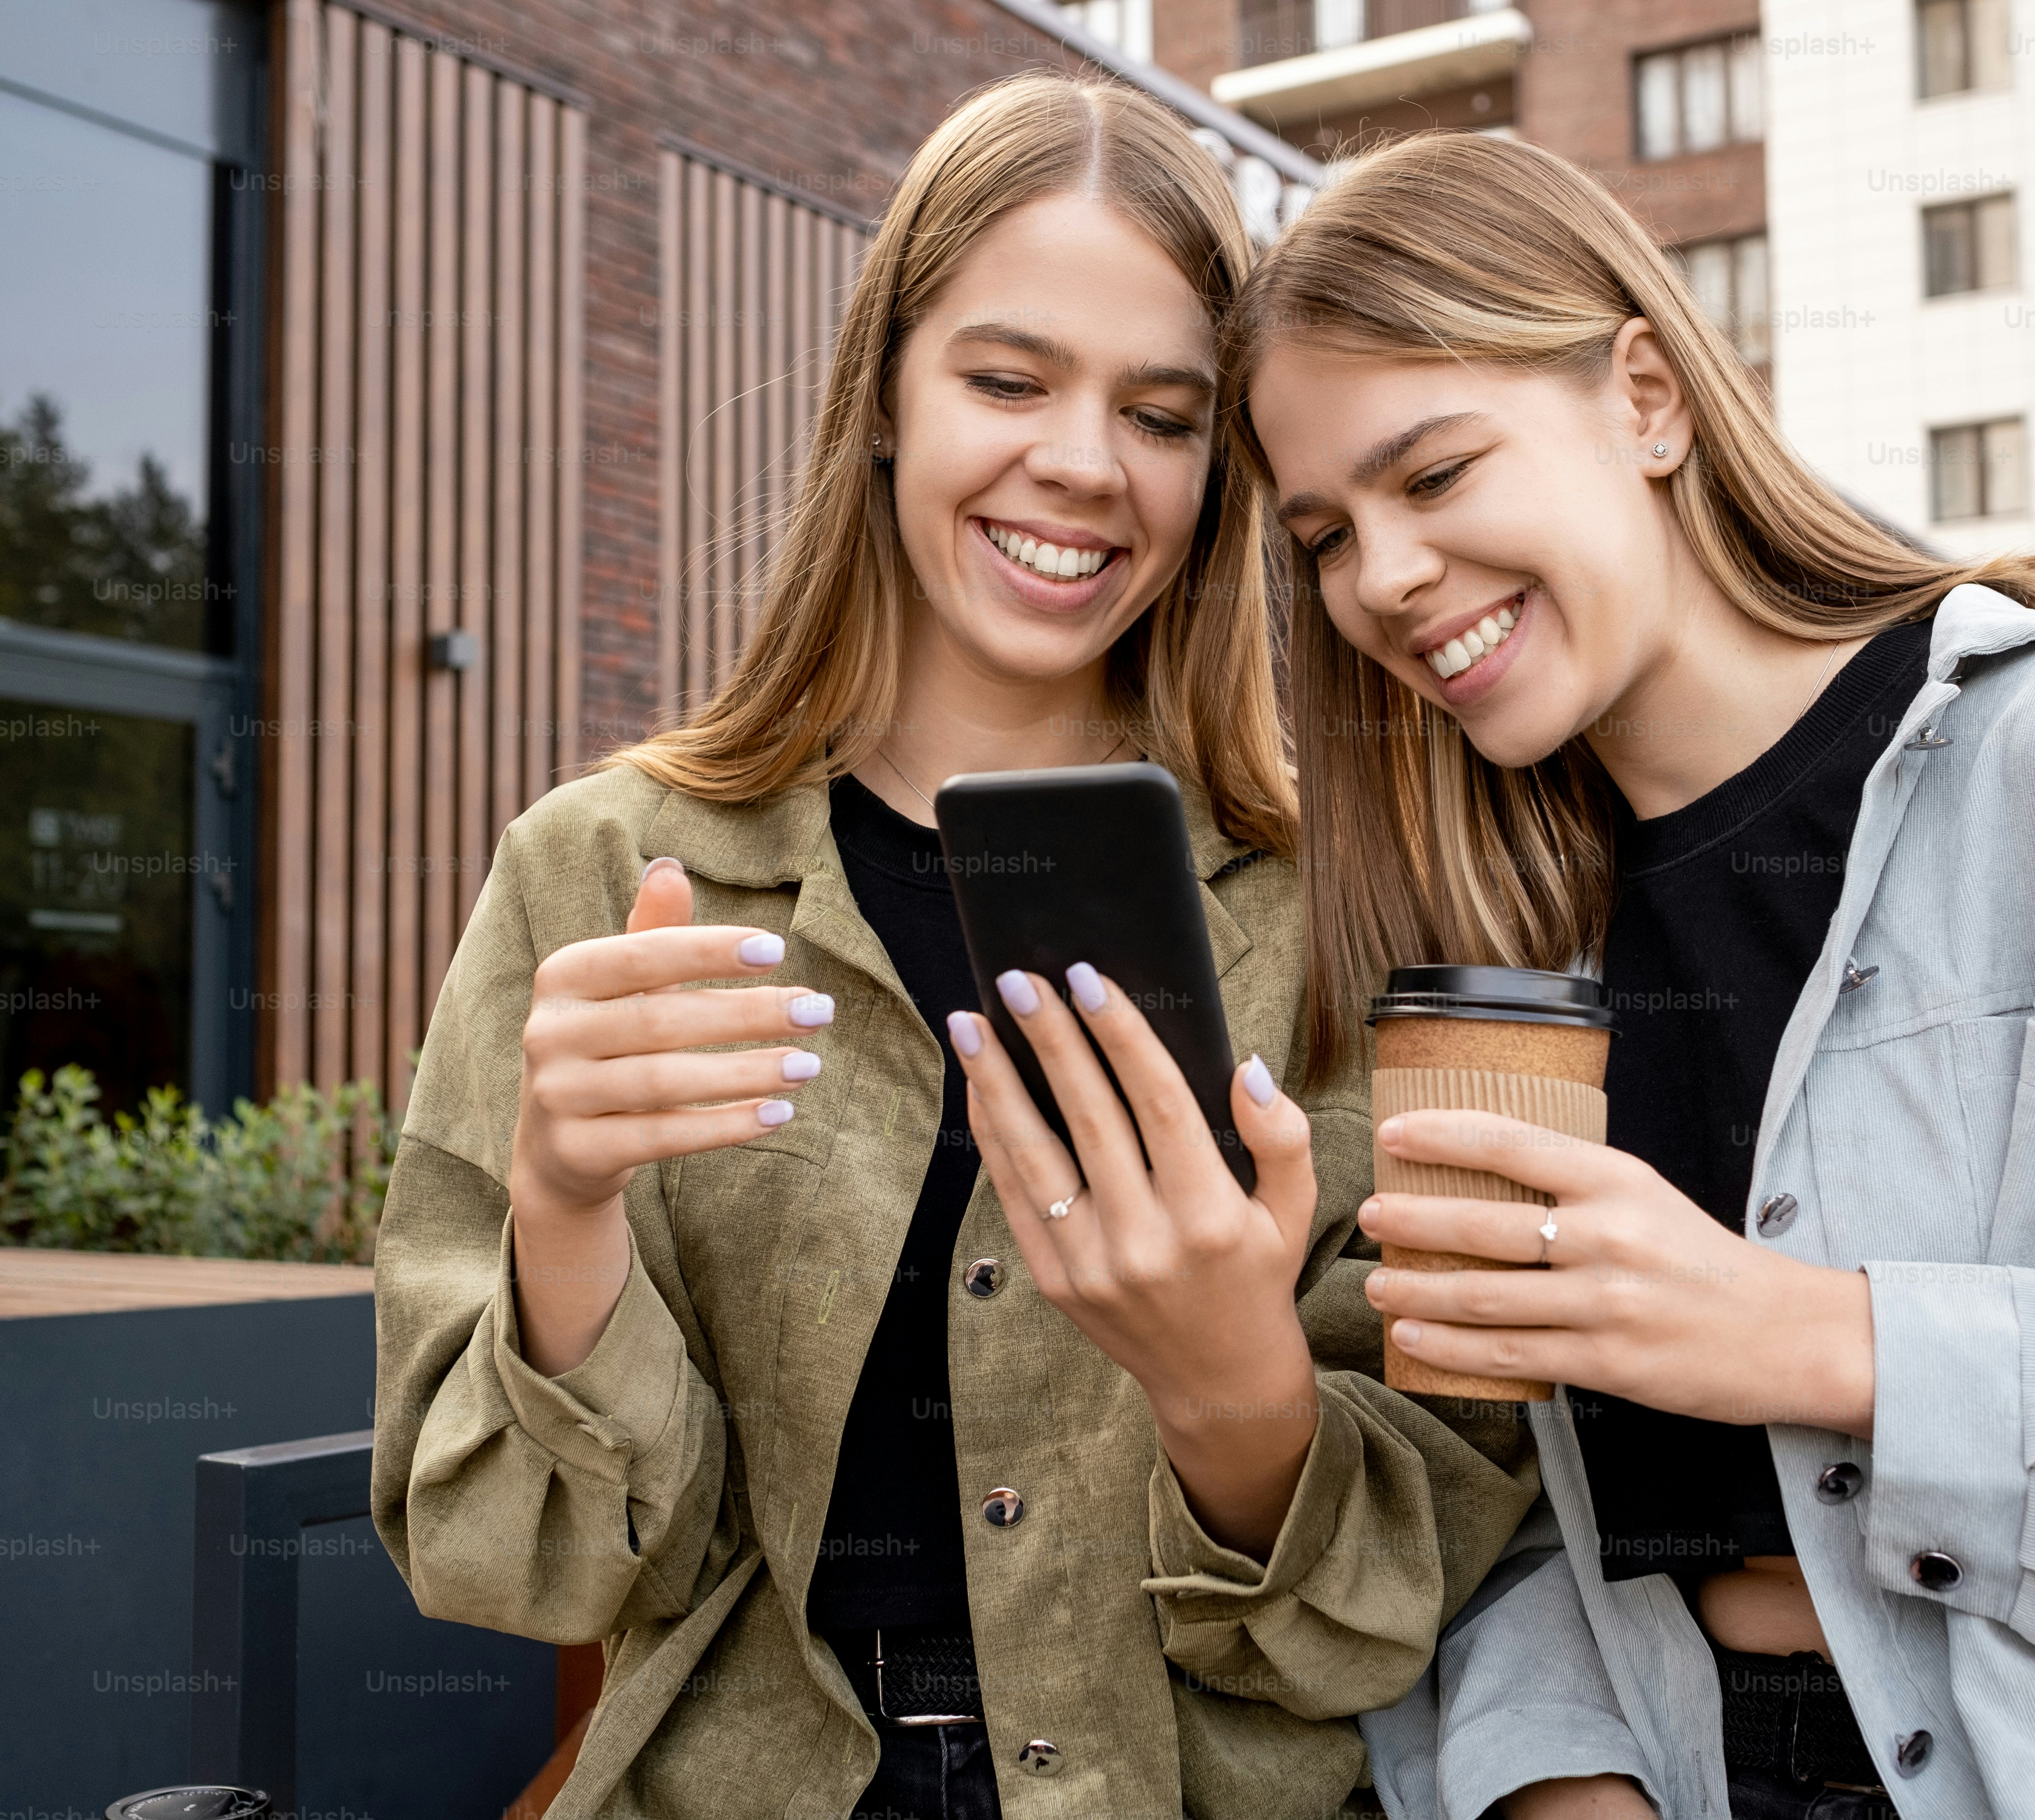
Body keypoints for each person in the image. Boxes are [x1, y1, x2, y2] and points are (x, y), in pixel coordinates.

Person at [1226, 130, 2035, 1820]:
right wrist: (1552, 1775)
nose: (1380, 578)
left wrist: (1832, 1344)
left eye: (1436, 474)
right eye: (1325, 534)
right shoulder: (1506, 928)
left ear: (1651, 399)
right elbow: (1513, 1504)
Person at [369, 74, 1531, 1820]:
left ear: (1221, 472)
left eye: (1162, 412)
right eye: (1007, 378)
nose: (1080, 460)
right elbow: (514, 1567)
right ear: (888, 397)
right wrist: (564, 1211)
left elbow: (1413, 1591)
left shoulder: (1363, 910)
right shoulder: (598, 869)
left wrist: (1234, 1392)